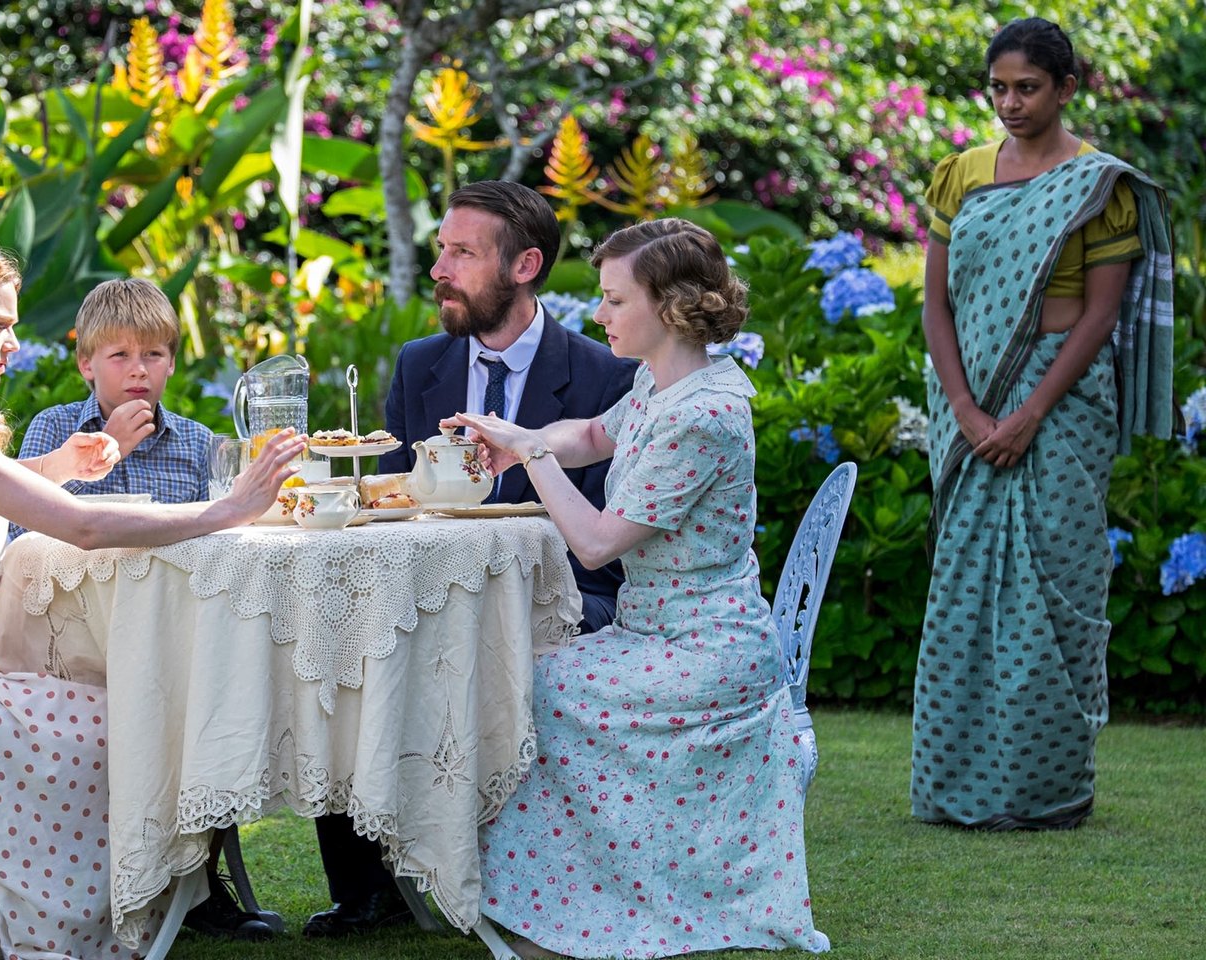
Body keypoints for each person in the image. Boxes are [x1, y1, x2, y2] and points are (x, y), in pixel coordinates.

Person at [0, 232, 304, 957]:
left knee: (107, 703)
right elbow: (82, 528)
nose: (14, 342)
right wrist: (225, 511)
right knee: (124, 728)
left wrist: (58, 463)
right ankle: (19, 921)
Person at [456, 218, 829, 959]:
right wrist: (512, 436)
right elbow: (595, 435)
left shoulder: (705, 415)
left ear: (669, 307)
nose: (598, 316)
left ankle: (576, 904)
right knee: (522, 675)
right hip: (655, 630)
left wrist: (531, 458)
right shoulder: (663, 384)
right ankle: (559, 895)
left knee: (534, 687)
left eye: (613, 300)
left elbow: (596, 540)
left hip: (708, 649)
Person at [305, 181, 636, 939]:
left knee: (442, 642)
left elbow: (606, 558)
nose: (439, 268)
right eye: (440, 250)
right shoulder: (420, 365)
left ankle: (499, 873)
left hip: (567, 594)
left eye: (462, 252)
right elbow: (390, 497)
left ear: (525, 266)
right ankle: (368, 888)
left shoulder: (602, 376)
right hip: (419, 585)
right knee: (337, 639)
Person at [913, 17, 1174, 831]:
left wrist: (1027, 414)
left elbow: (1099, 316)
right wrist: (965, 410)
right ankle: (951, 788)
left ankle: (1046, 791)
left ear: (1066, 87)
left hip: (1060, 406)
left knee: (1054, 590)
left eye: (1028, 87)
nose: (1011, 103)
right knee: (961, 595)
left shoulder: (1103, 184)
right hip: (970, 408)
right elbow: (937, 305)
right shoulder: (960, 175)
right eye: (998, 88)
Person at [8, 277, 213, 541]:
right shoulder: (54, 426)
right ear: (86, 364)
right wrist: (106, 449)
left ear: (171, 363)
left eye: (153, 354)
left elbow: (215, 542)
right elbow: (18, 529)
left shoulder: (197, 442)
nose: (139, 370)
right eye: (120, 355)